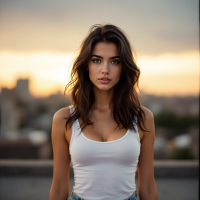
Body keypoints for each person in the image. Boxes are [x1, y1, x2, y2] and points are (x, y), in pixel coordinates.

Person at [49, 24, 158, 200]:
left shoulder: (143, 118)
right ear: (86, 65)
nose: (105, 69)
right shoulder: (64, 119)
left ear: (123, 67)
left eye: (115, 61)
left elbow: (148, 188)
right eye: (97, 60)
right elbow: (59, 189)